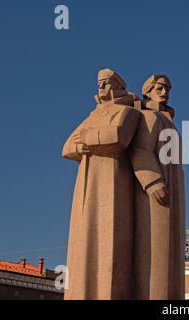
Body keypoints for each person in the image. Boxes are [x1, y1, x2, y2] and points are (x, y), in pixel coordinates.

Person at [62, 68, 140, 299]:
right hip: (87, 182)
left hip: (114, 178)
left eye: (106, 83)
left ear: (118, 85)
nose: (102, 88)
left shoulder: (127, 111)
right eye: (99, 84)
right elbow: (67, 147)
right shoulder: (92, 115)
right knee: (85, 237)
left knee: (111, 237)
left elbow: (118, 137)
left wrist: (86, 139)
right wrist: (87, 142)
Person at [129, 74, 186, 299]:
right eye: (160, 88)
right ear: (148, 91)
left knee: (172, 251)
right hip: (156, 192)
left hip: (173, 192)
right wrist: (152, 181)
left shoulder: (167, 120)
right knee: (157, 252)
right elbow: (141, 149)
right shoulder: (149, 116)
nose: (165, 92)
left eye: (167, 88)